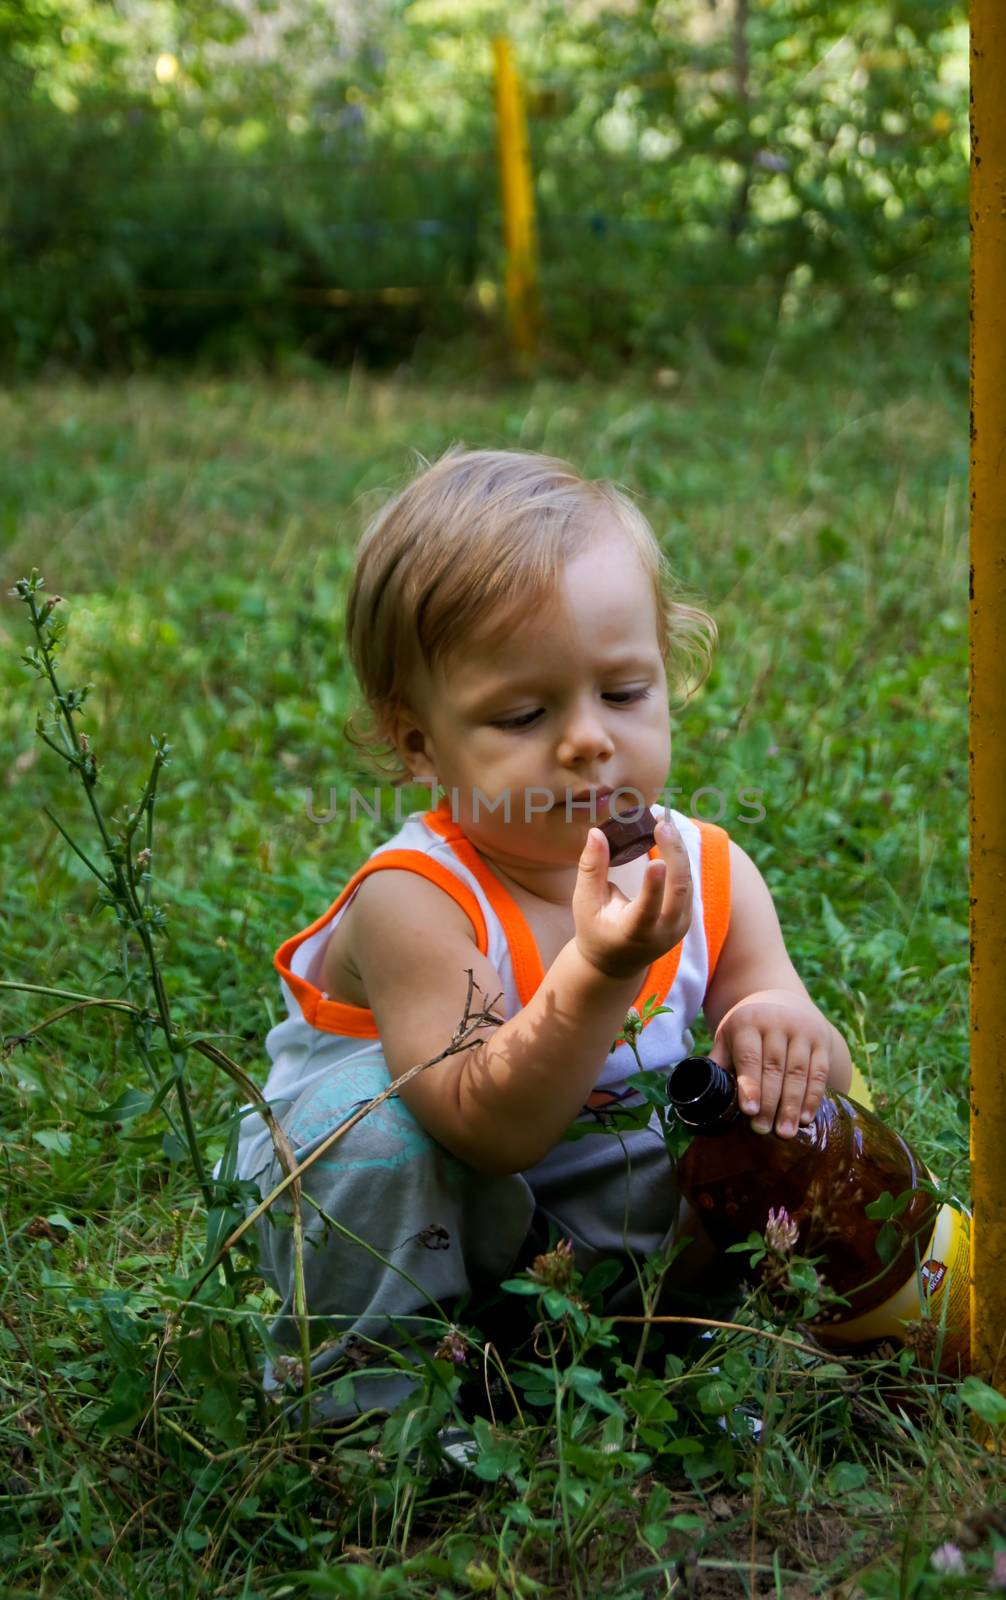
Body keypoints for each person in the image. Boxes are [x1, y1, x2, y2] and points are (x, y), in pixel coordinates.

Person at [237, 445, 853, 1410]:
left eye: (623, 692)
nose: (586, 740)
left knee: (781, 1133)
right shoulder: (415, 900)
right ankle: (370, 1408)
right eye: (522, 714)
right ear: (416, 741)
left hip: (592, 1229)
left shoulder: (707, 871)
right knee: (363, 1136)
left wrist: (781, 1028)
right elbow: (489, 1129)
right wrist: (600, 974)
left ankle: (644, 1350)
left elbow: (810, 1067)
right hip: (431, 1209)